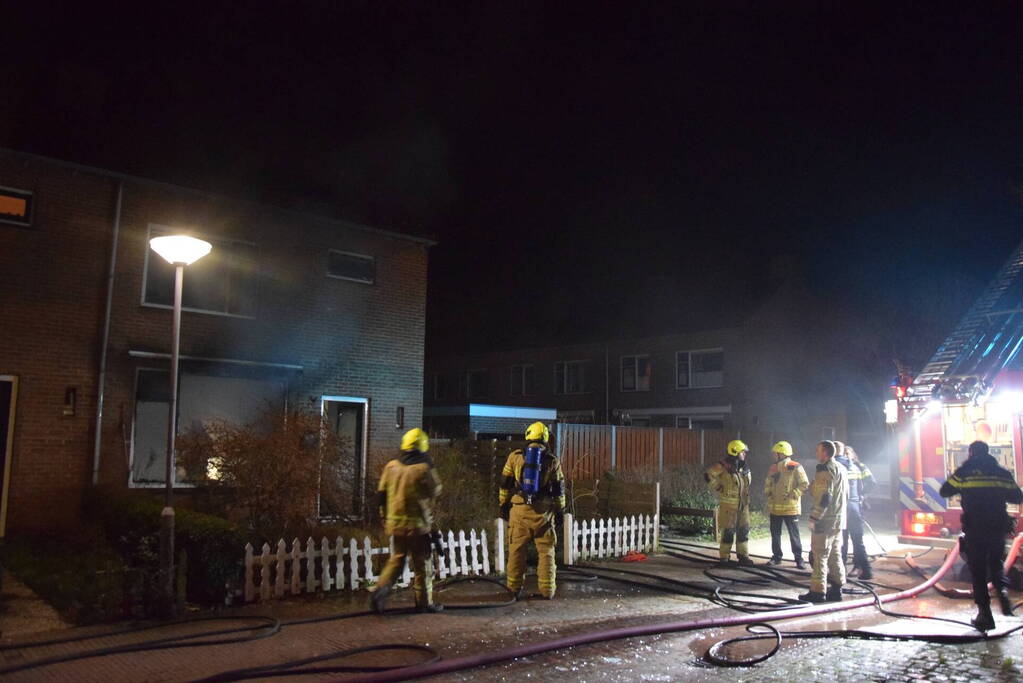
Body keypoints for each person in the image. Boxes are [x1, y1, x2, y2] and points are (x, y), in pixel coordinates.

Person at [939, 440, 1023, 631]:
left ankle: (985, 615)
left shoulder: (965, 472)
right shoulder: (1001, 473)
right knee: (996, 563)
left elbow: (945, 491)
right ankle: (1002, 593)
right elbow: (1017, 497)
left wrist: (963, 479)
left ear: (971, 454)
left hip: (975, 528)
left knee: (978, 571)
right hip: (997, 527)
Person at [369, 428, 444, 614]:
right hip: (417, 527)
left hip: (394, 525)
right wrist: (430, 467)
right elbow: (435, 490)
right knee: (422, 564)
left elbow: (381, 494)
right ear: (423, 446)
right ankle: (424, 603)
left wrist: (383, 517)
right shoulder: (423, 469)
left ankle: (380, 590)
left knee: (396, 559)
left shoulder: (391, 466)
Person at [499, 421, 566, 599]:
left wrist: (503, 505)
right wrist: (560, 510)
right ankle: (547, 590)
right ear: (545, 438)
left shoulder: (515, 457)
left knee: (516, 551)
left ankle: (513, 589)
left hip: (519, 511)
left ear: (528, 436)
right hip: (543, 513)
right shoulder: (552, 461)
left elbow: (505, 484)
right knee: (546, 552)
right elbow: (559, 490)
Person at [798, 440, 848, 603]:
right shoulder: (841, 468)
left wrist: (815, 517)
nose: (816, 453)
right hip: (838, 519)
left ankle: (818, 592)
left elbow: (824, 497)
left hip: (825, 520)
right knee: (835, 554)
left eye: (818, 451)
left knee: (820, 555)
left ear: (825, 453)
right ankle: (837, 589)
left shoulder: (824, 470)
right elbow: (842, 495)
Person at [705, 439, 754, 566]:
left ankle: (743, 556)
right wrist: (719, 487)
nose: (744, 454)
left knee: (743, 530)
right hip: (729, 505)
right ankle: (724, 558)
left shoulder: (744, 466)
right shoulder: (723, 466)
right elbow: (708, 475)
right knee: (728, 531)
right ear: (735, 452)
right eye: (742, 452)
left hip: (743, 505)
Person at [764, 440, 809, 568]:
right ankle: (777, 557)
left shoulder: (795, 466)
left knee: (794, 535)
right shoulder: (773, 467)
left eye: (775, 453)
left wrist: (793, 494)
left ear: (781, 454)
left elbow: (804, 484)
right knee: (775, 534)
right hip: (775, 508)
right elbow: (768, 482)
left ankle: (799, 559)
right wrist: (768, 493)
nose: (773, 455)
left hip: (791, 508)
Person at [837, 445, 876, 580]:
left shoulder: (840, 467)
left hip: (845, 509)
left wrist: (862, 495)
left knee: (844, 541)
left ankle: (844, 569)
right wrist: (861, 496)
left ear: (853, 454)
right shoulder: (857, 467)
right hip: (854, 508)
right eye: (845, 453)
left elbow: (871, 482)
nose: (847, 456)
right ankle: (865, 570)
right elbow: (869, 483)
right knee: (854, 541)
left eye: (848, 453)